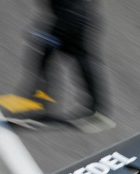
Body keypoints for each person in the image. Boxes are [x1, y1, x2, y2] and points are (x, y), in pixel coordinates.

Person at [27, 0, 112, 132]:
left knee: (46, 56)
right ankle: (98, 110)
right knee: (76, 57)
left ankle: (40, 102)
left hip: (69, 17)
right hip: (75, 14)